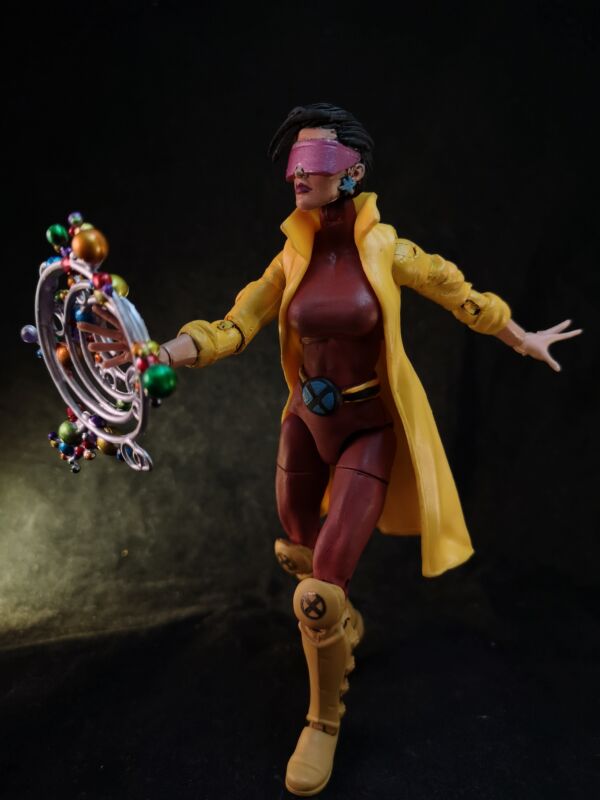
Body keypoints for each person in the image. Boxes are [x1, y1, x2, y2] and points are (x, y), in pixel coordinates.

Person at [81, 103, 581, 797]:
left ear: (352, 172)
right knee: (297, 551)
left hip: (367, 429)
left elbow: (458, 293)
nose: (298, 173)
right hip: (303, 426)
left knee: (315, 594)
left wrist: (520, 336)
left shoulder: (388, 251)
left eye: (313, 160)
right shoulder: (291, 256)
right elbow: (233, 325)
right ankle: (340, 624)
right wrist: (155, 353)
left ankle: (322, 719)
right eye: (293, 161)